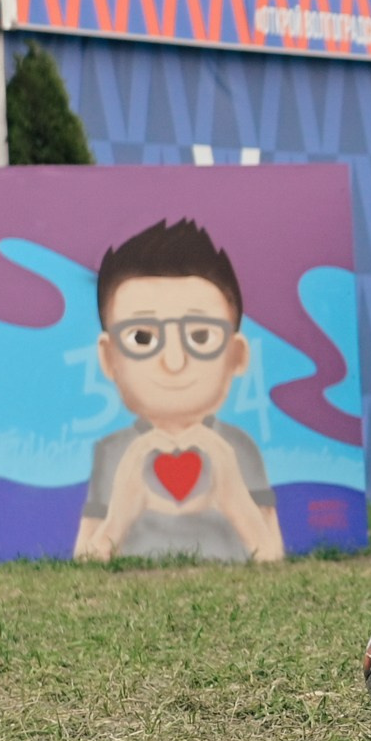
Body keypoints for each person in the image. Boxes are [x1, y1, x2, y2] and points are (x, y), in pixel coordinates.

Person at [74, 218, 284, 563]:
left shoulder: (238, 450)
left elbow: (270, 555)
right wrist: (119, 515)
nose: (173, 361)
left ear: (237, 354)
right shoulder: (113, 453)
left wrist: (234, 496)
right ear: (108, 356)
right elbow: (85, 560)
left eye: (201, 336)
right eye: (142, 337)